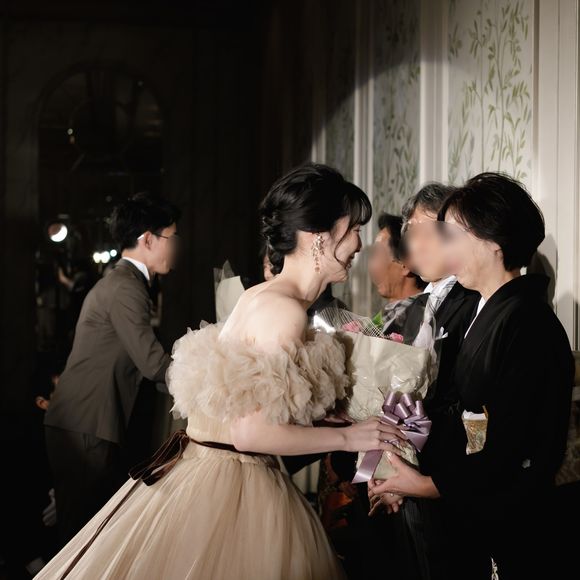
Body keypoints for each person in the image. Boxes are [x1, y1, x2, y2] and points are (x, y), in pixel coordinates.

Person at [35, 163, 404, 580]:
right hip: (236, 485)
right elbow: (250, 433)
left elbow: (253, 404)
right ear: (319, 236)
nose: (359, 243)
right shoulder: (282, 310)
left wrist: (329, 417)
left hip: (217, 470)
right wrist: (350, 436)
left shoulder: (263, 296)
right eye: (353, 228)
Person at [369, 172, 574, 579]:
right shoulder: (488, 310)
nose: (446, 248)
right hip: (471, 497)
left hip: (509, 513)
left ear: (494, 241)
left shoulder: (527, 322)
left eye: (453, 236)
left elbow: (511, 446)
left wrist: (425, 484)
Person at [43, 192, 180, 546]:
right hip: (86, 424)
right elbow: (153, 364)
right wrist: (211, 379)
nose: (175, 246)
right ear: (148, 239)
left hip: (83, 422)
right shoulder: (126, 287)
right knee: (83, 540)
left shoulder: (124, 282)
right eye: (172, 237)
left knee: (86, 534)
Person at [368, 212, 426, 312]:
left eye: (377, 254)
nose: (371, 266)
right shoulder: (388, 316)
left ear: (406, 265)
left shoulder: (423, 315)